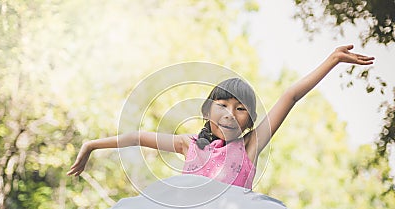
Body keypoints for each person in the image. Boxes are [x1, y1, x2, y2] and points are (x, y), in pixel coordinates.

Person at [67, 45, 374, 189]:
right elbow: (134, 137)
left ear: (249, 123)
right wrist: (91, 145)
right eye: (223, 105)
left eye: (240, 109)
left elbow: (290, 96)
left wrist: (332, 59)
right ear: (206, 111)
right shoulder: (188, 145)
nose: (230, 114)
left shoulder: (249, 148)